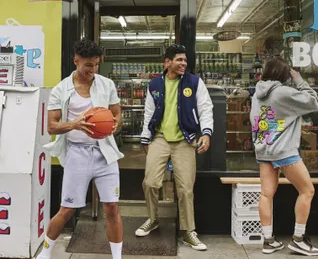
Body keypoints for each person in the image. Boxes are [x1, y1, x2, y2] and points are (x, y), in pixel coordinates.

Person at [41, 39, 124, 259]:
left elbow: (117, 114)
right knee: (67, 210)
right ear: (76, 61)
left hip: (105, 153)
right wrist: (75, 124)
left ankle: (117, 257)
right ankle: (45, 253)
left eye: (96, 64)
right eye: (88, 65)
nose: (93, 70)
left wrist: (114, 125)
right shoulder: (61, 89)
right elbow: (51, 125)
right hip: (77, 153)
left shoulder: (106, 84)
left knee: (112, 208)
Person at [136, 44, 213, 251]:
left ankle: (189, 231)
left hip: (185, 140)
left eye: (185, 60)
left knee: (185, 188)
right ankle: (153, 219)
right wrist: (145, 139)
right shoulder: (154, 85)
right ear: (167, 62)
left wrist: (206, 133)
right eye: (179, 60)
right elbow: (148, 113)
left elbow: (206, 108)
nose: (184, 64)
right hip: (159, 138)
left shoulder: (194, 83)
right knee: (150, 182)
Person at [250, 58, 318, 256]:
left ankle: (268, 240)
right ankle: (298, 239)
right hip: (284, 151)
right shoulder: (283, 92)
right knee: (307, 191)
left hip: (264, 148)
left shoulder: (258, 93)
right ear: (284, 74)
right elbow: (313, 102)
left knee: (266, 194)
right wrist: (299, 80)